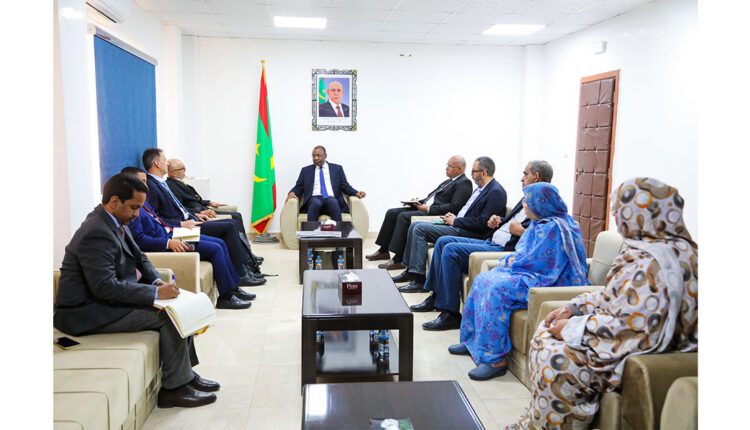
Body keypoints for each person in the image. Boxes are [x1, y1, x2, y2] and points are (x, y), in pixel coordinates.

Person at [509, 178, 698, 429]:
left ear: (639, 214)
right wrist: (574, 307)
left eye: (620, 210)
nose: (616, 216)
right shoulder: (648, 250)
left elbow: (636, 328)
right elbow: (613, 295)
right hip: (620, 331)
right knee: (546, 331)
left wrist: (573, 327)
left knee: (554, 355)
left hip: (640, 345)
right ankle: (537, 419)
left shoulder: (658, 263)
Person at [54, 173, 219, 408]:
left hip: (106, 300)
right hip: (85, 311)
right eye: (134, 207)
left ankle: (186, 375)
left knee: (179, 307)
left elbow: (141, 258)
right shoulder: (95, 232)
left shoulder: (114, 222)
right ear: (114, 202)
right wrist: (154, 295)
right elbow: (104, 287)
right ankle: (174, 390)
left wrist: (156, 282)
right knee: (168, 317)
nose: (137, 214)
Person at [449, 182, 589, 381]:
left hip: (550, 280)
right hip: (531, 273)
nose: (525, 205)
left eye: (527, 202)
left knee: (497, 289)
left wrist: (511, 262)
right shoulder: (540, 222)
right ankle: (473, 341)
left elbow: (542, 263)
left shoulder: (556, 227)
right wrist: (511, 261)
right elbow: (524, 253)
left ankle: (495, 360)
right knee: (481, 279)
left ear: (540, 203)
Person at [414, 161, 554, 331]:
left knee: (450, 249)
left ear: (536, 177)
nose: (521, 178)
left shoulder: (546, 205)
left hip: (503, 250)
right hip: (491, 240)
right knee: (443, 241)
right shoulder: (526, 198)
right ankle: (436, 297)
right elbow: (511, 222)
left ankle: (450, 314)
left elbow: (544, 239)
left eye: (525, 174)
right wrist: (498, 222)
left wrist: (521, 232)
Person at [122, 167, 254, 310]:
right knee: (215, 249)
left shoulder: (144, 202)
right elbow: (140, 240)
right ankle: (226, 297)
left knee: (220, 242)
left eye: (145, 181)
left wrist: (179, 226)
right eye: (141, 181)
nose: (146, 185)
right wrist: (168, 243)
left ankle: (233, 288)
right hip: (166, 243)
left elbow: (160, 221)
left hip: (173, 234)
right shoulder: (132, 208)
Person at [142, 148, 265, 286]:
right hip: (179, 229)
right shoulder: (151, 186)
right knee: (228, 227)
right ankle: (242, 273)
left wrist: (195, 214)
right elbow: (158, 217)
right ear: (157, 163)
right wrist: (180, 224)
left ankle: (245, 268)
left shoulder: (161, 182)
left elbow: (179, 207)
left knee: (229, 226)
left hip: (189, 221)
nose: (167, 163)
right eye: (165, 160)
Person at [391, 156, 508, 295]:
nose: (471, 174)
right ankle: (410, 270)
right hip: (458, 224)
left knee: (419, 229)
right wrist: (452, 218)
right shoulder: (480, 189)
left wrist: (456, 221)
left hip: (469, 232)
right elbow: (467, 211)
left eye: (473, 171)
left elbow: (483, 223)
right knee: (415, 224)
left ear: (484, 172)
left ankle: (418, 279)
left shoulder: (495, 192)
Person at [366, 155, 473, 271]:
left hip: (436, 213)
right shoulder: (448, 181)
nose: (446, 168)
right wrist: (417, 203)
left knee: (403, 217)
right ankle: (383, 250)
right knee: (392, 213)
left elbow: (454, 207)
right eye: (447, 165)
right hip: (428, 208)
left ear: (460, 169)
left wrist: (428, 209)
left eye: (450, 166)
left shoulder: (464, 183)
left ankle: (399, 259)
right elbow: (431, 198)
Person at [165, 158, 248, 235]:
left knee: (237, 215)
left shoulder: (179, 182)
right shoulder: (171, 186)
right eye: (182, 168)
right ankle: (242, 243)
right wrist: (198, 212)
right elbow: (179, 206)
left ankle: (243, 243)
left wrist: (209, 202)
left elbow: (194, 198)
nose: (185, 170)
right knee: (236, 217)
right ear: (174, 173)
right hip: (198, 214)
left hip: (203, 208)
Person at [287, 145, 365, 222]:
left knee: (333, 202)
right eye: (313, 156)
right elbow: (299, 186)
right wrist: (292, 192)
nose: (315, 158)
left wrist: (356, 193)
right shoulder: (306, 170)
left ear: (325, 155)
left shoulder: (337, 169)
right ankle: (311, 230)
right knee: (315, 203)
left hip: (331, 198)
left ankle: (338, 230)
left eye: (318, 155)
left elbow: (345, 186)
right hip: (314, 198)